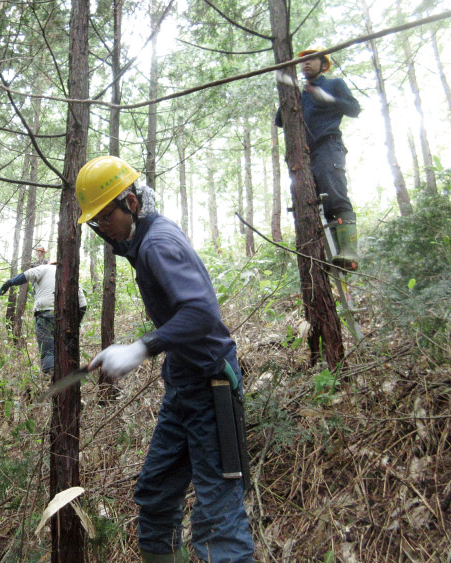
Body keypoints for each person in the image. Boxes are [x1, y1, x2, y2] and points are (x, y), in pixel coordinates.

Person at [76, 155, 254, 562]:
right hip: (183, 385)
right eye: (94, 224)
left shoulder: (158, 244)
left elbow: (201, 313)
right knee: (155, 496)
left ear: (131, 203)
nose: (101, 231)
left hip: (213, 386)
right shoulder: (141, 241)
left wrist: (141, 348)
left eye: (104, 219)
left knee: (218, 519)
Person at [275, 45, 361, 270]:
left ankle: (349, 252)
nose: (306, 63)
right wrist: (288, 93)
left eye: (312, 60)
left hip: (328, 146)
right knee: (313, 205)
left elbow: (354, 109)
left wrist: (327, 99)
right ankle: (332, 256)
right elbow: (279, 120)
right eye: (302, 61)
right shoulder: (299, 93)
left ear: (324, 64)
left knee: (334, 196)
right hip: (303, 156)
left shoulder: (334, 84)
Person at [0, 262, 87, 374]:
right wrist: (76, 323)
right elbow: (83, 304)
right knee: (65, 350)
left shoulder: (44, 268)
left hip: (46, 315)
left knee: (48, 350)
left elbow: (26, 275)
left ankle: (50, 378)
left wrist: (9, 283)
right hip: (67, 318)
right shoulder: (71, 277)